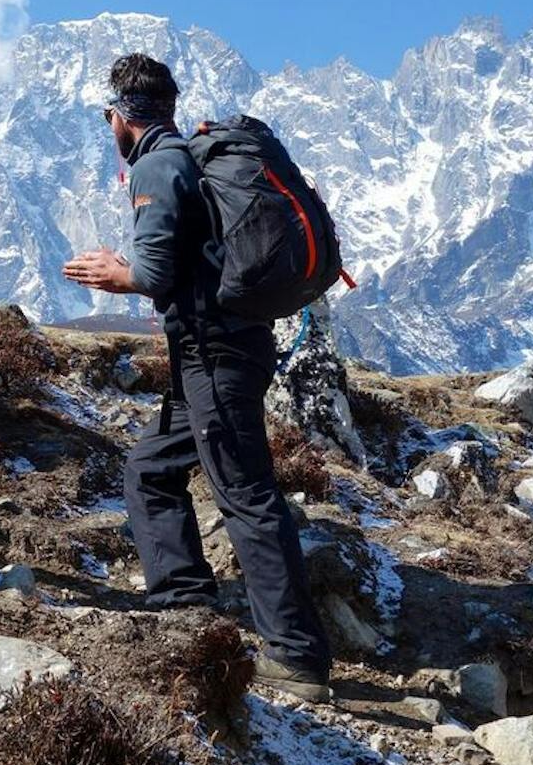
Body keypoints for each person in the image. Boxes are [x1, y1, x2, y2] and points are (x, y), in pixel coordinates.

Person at [62, 53, 334, 703]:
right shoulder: (187, 157)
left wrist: (115, 273)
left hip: (213, 353)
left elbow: (155, 274)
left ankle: (295, 656)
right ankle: (184, 607)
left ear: (117, 116)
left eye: (107, 117)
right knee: (150, 469)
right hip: (222, 349)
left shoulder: (155, 165)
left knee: (245, 493)